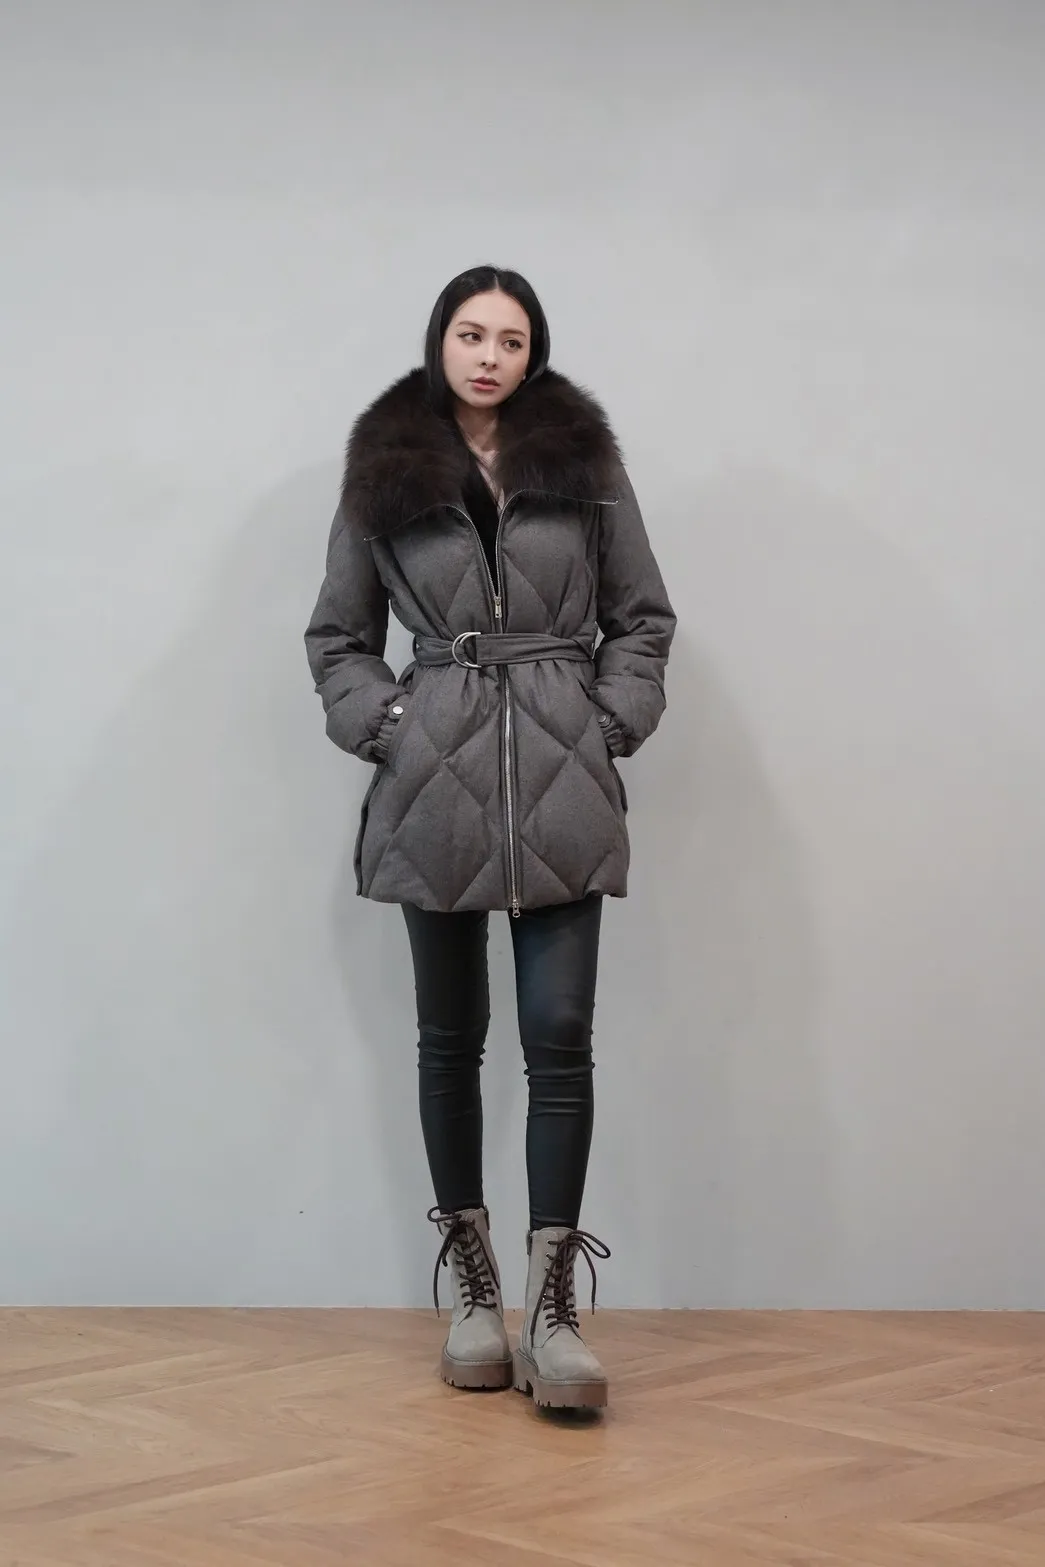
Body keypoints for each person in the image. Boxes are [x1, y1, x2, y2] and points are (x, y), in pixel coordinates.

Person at [304, 265, 675, 1410]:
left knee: (559, 1034)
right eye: (471, 334)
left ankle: (553, 1312)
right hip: (437, 786)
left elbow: (642, 617)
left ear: (532, 353)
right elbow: (337, 637)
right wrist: (393, 727)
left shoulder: (583, 461)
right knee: (449, 1036)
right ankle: (474, 1299)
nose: (488, 356)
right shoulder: (385, 466)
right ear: (440, 340)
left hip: (563, 780)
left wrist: (607, 722)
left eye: (511, 340)